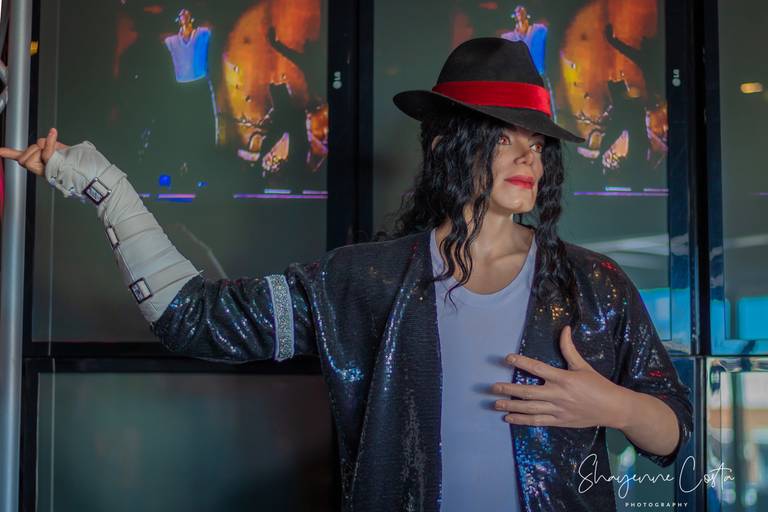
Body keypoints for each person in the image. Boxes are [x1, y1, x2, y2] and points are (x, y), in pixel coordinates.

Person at [1, 38, 692, 511]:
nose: (527, 159)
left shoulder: (593, 285)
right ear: (448, 143)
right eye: (501, 137)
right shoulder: (365, 281)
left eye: (536, 143)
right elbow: (194, 318)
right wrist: (105, 186)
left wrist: (615, 408)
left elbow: (679, 436)